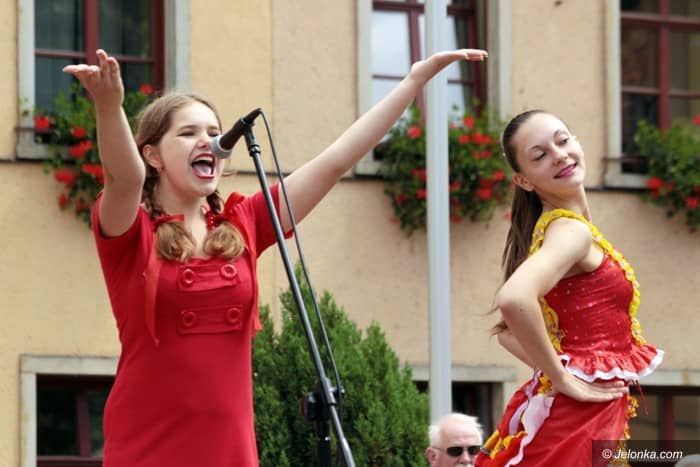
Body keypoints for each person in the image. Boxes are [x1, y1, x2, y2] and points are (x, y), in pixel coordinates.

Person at [63, 47, 488, 467]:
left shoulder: (244, 222)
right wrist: (109, 107)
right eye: (188, 133)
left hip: (229, 447)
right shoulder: (131, 231)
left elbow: (336, 160)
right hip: (148, 444)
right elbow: (126, 177)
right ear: (153, 154)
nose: (208, 140)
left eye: (214, 131)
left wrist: (413, 82)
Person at [475, 110, 664, 467]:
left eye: (562, 141)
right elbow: (513, 300)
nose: (559, 155)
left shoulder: (561, 229)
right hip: (578, 419)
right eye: (539, 155)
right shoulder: (570, 231)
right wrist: (564, 379)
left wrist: (564, 372)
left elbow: (508, 334)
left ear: (577, 142)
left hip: (584, 413)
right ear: (523, 180)